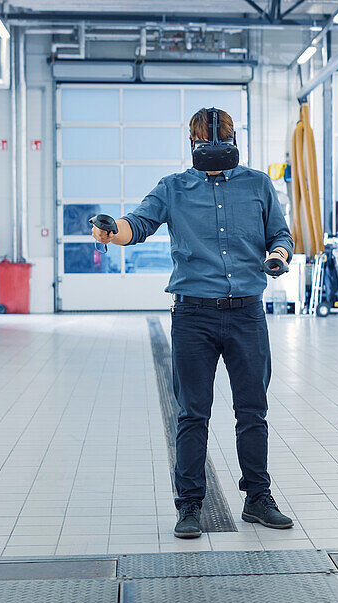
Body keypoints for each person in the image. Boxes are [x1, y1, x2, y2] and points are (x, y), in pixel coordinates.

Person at [92, 108, 294, 539]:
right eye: (207, 142)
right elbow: (139, 224)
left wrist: (278, 255)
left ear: (235, 138)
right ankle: (189, 506)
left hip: (247, 313)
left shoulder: (258, 184)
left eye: (224, 140)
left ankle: (257, 498)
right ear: (192, 143)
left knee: (253, 412)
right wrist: (112, 230)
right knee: (192, 415)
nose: (216, 149)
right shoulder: (173, 188)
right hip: (193, 317)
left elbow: (281, 234)